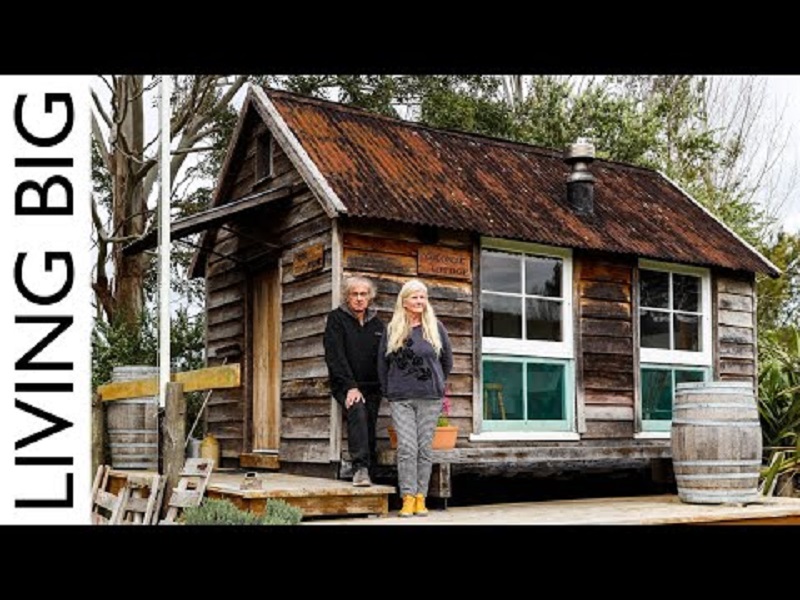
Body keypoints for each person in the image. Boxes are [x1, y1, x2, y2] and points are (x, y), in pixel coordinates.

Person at [378, 278, 453, 517]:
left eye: (423, 297)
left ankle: (421, 497)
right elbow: (382, 363)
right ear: (404, 301)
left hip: (430, 397)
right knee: (407, 448)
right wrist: (388, 390)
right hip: (401, 397)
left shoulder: (436, 327)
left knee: (424, 448)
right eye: (415, 297)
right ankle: (407, 497)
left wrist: (437, 382)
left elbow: (446, 361)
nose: (420, 301)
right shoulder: (393, 329)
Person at [324, 276, 386, 487]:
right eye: (354, 294)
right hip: (346, 384)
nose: (359, 298)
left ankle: (370, 469)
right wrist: (350, 386)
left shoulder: (377, 323)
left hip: (373, 386)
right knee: (357, 409)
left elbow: (384, 356)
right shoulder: (336, 319)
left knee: (369, 421)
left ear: (370, 297)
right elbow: (335, 356)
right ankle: (360, 468)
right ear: (347, 297)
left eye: (363, 294)